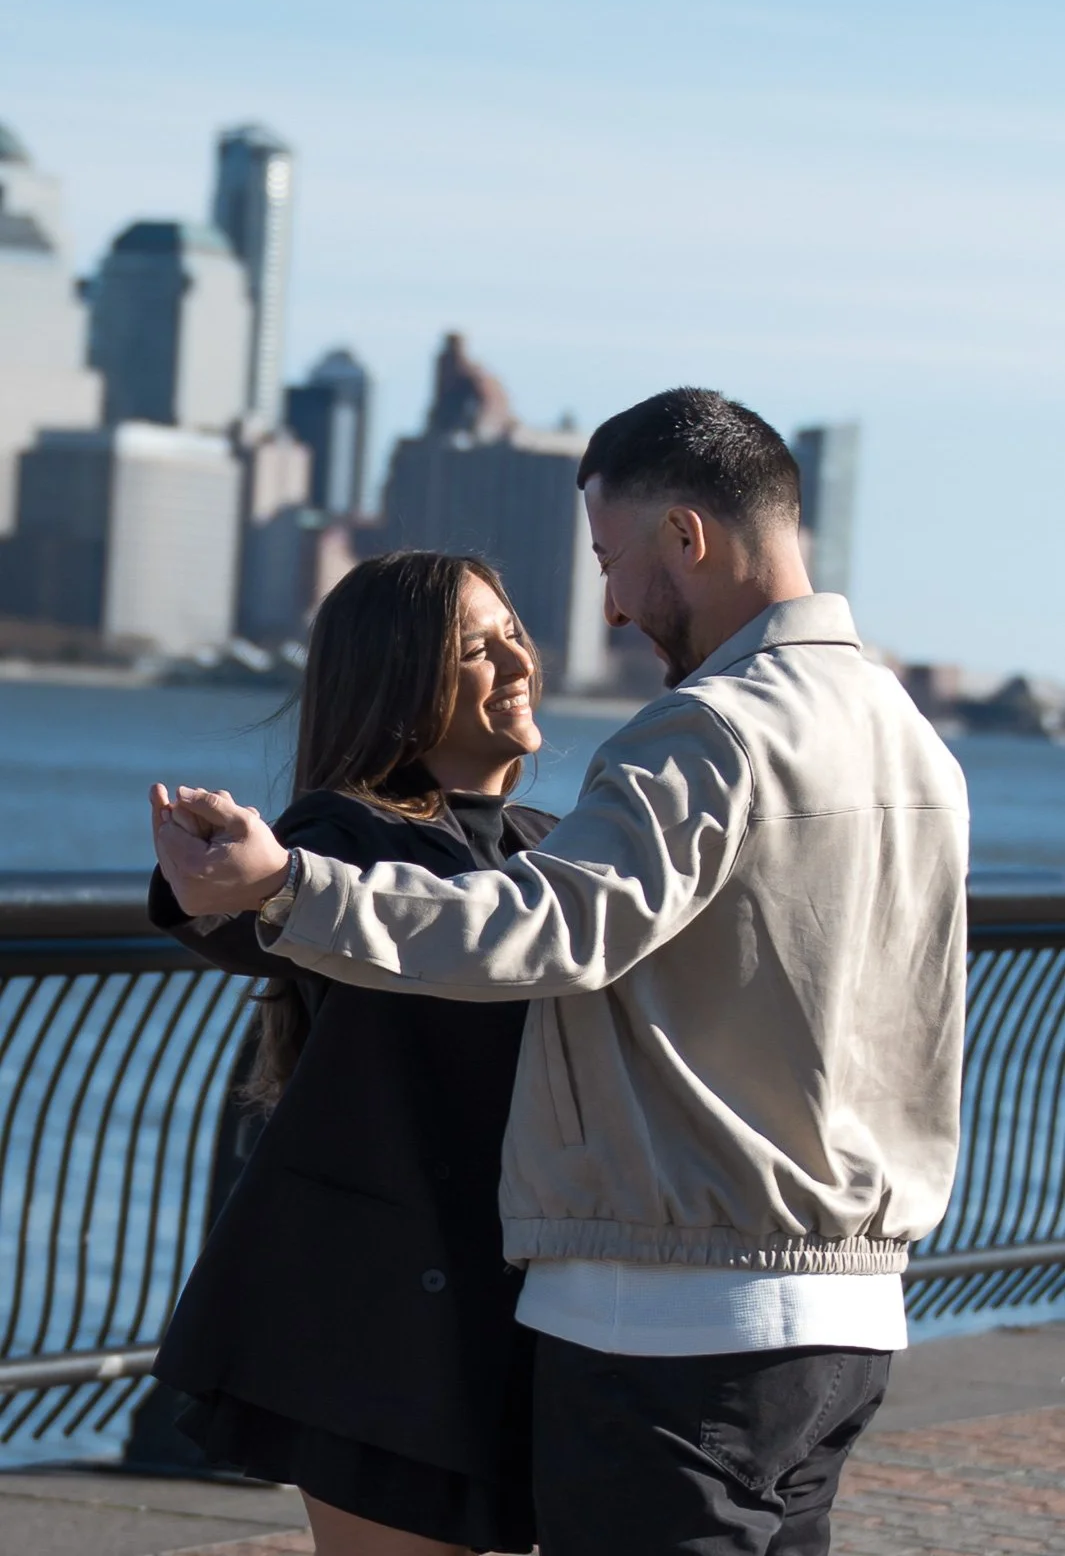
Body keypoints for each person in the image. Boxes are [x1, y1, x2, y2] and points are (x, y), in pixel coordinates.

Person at [156, 388, 970, 1556]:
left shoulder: (713, 729)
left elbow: (548, 928)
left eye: (612, 559)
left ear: (686, 536)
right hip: (848, 1314)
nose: (612, 604)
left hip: (676, 1318)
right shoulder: (911, 743)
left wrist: (285, 886)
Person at [148, 551, 556, 1556]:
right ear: (403, 683)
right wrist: (221, 884)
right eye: (477, 645)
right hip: (379, 1318)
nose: (516, 660)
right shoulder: (353, 836)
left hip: (509, 1304)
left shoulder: (547, 846)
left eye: (514, 632)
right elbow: (268, 902)